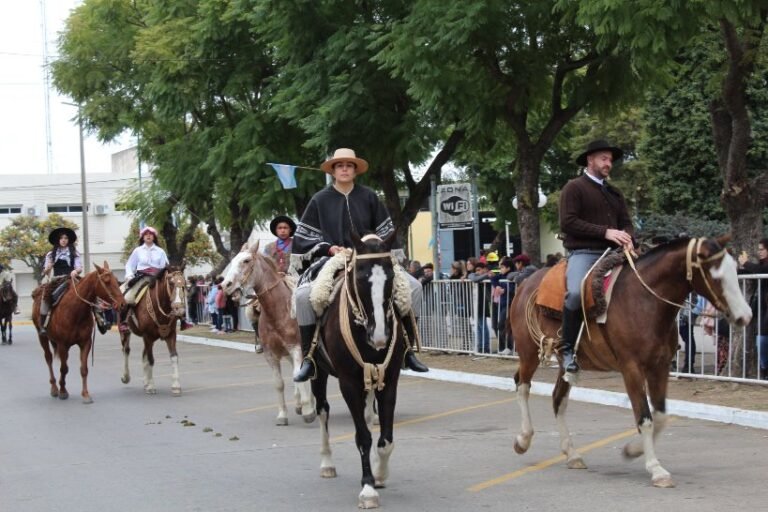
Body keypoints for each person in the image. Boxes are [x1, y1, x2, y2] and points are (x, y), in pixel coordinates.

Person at [291, 148, 428, 382]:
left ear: (355, 170)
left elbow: (386, 233)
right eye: (340, 165)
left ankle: (407, 350)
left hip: (371, 258)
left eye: (349, 165)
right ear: (333, 170)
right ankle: (309, 358)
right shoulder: (319, 200)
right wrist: (329, 248)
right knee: (304, 297)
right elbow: (304, 238)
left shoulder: (369, 196)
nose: (344, 169)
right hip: (334, 259)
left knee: (414, 287)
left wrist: (375, 246)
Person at [559, 139, 634, 374]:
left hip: (616, 253)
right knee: (574, 294)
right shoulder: (574, 187)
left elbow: (627, 223)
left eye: (610, 160)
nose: (608, 163)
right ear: (590, 160)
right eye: (604, 158)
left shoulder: (614, 193)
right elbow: (568, 222)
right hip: (585, 253)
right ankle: (567, 349)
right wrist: (605, 232)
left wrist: (628, 237)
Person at [118, 226, 170, 333]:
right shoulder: (137, 251)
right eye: (146, 234)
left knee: (174, 296)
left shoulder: (160, 251)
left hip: (157, 278)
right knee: (127, 298)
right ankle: (124, 322)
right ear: (143, 237)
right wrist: (129, 276)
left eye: (151, 234)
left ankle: (182, 320)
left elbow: (165, 266)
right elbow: (129, 265)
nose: (148, 236)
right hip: (141, 278)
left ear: (154, 237)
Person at [38, 227, 83, 335]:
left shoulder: (74, 253)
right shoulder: (50, 254)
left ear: (69, 240)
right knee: (46, 296)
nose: (63, 240)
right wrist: (48, 268)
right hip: (57, 279)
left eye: (66, 238)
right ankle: (42, 325)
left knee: (89, 289)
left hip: (71, 278)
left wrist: (76, 271)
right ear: (57, 240)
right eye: (61, 238)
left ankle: (101, 319)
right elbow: (45, 272)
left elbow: (79, 268)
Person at [738, 238, 768, 379]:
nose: (759, 252)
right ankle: (764, 369)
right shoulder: (761, 265)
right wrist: (738, 270)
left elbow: (762, 270)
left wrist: (746, 263)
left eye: (762, 249)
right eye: (759, 249)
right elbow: (755, 271)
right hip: (763, 308)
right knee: (761, 340)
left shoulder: (764, 266)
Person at [491, 257, 514, 355]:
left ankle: (509, 347)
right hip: (503, 303)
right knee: (500, 325)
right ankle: (503, 347)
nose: (501, 269)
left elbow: (513, 287)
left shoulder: (512, 275)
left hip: (510, 303)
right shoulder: (501, 276)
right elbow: (493, 278)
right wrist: (497, 286)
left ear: (508, 268)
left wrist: (505, 290)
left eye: (503, 267)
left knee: (502, 325)